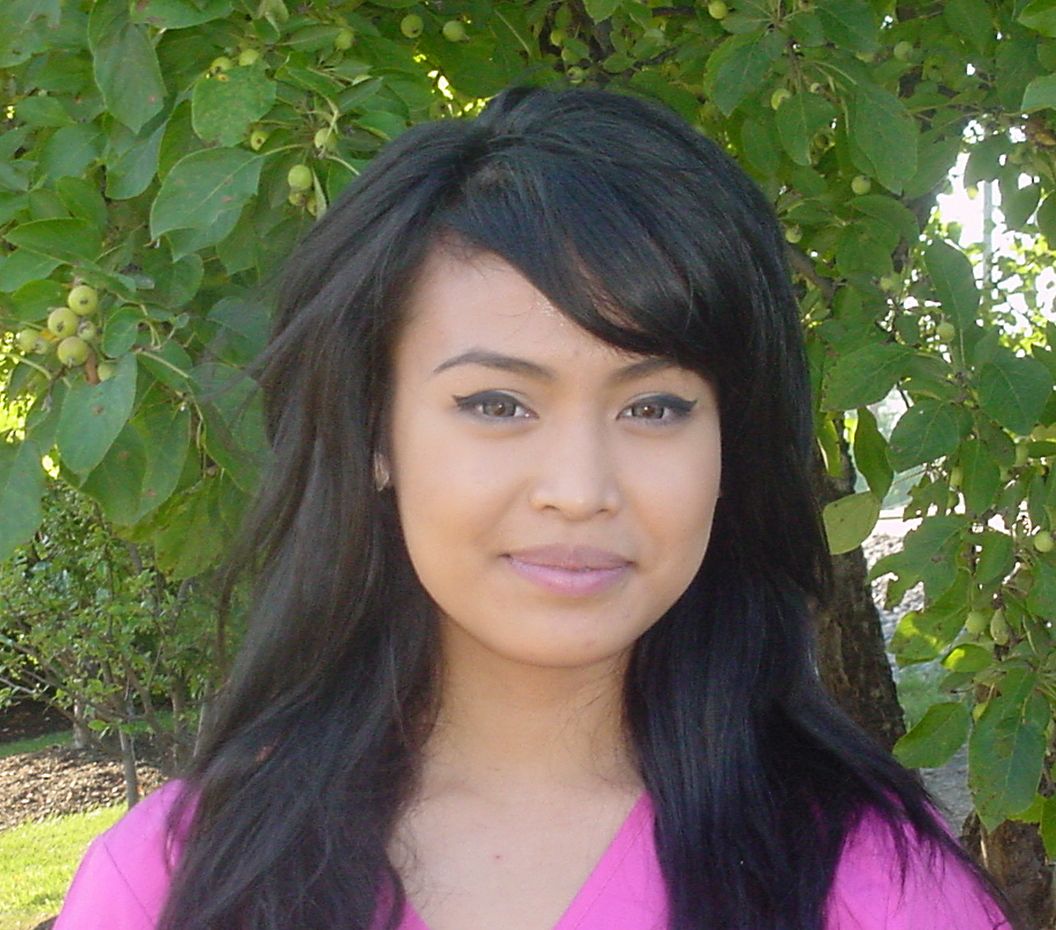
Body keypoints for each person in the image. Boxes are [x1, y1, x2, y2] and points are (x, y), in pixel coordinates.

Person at [54, 86, 1017, 930]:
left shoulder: (869, 879)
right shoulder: (174, 883)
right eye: (497, 404)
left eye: (654, 407)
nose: (580, 489)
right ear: (376, 433)